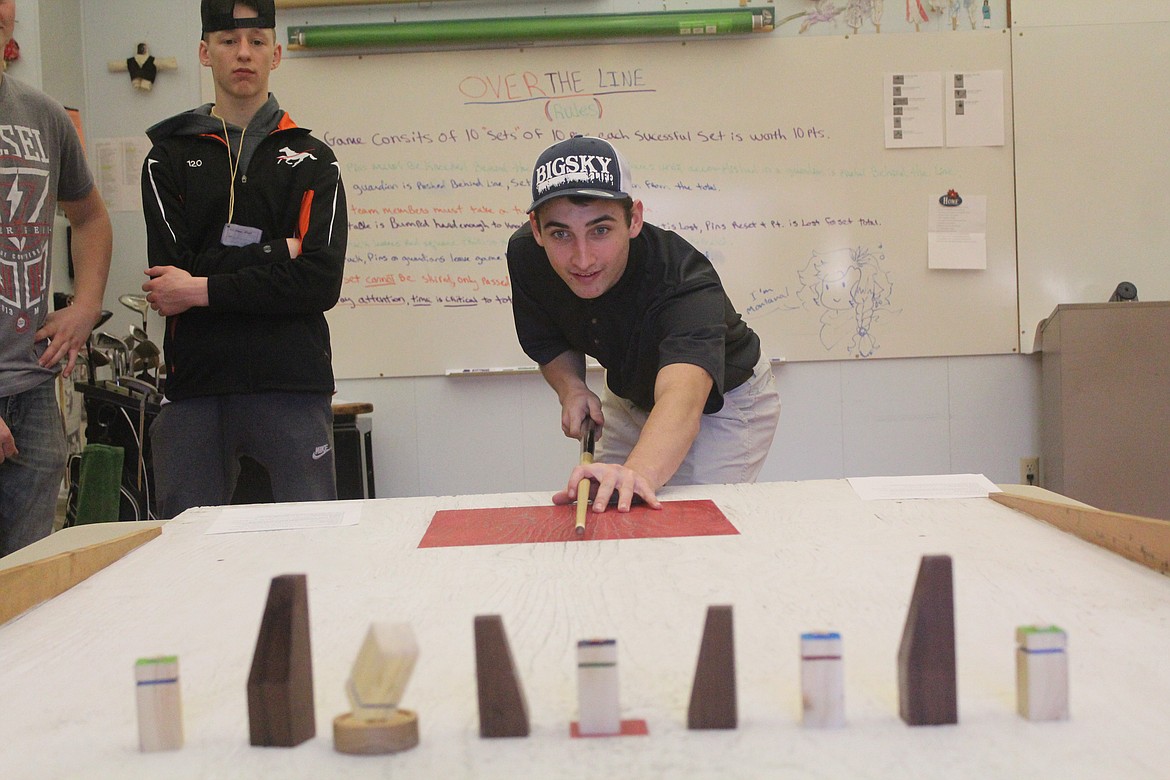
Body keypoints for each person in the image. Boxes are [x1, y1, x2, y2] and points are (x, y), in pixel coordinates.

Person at [140, 0, 347, 519]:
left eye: (257, 41)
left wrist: (202, 288)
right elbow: (169, 280)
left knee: (309, 546)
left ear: (276, 54)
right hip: (197, 388)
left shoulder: (314, 160)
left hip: (293, 387)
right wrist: (280, 253)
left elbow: (319, 282)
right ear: (204, 52)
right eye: (229, 41)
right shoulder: (165, 157)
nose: (244, 54)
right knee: (190, 561)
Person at [507, 136, 781, 514]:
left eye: (600, 230)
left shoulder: (684, 280)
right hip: (630, 390)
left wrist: (638, 473)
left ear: (633, 218)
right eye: (561, 234)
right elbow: (548, 339)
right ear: (536, 229)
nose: (582, 258)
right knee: (606, 508)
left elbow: (684, 399)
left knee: (683, 525)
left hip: (722, 404)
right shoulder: (527, 256)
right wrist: (571, 389)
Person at [0, 0, 113, 555]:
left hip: (33, 390)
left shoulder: (41, 116)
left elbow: (89, 216)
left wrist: (86, 307)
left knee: (24, 593)